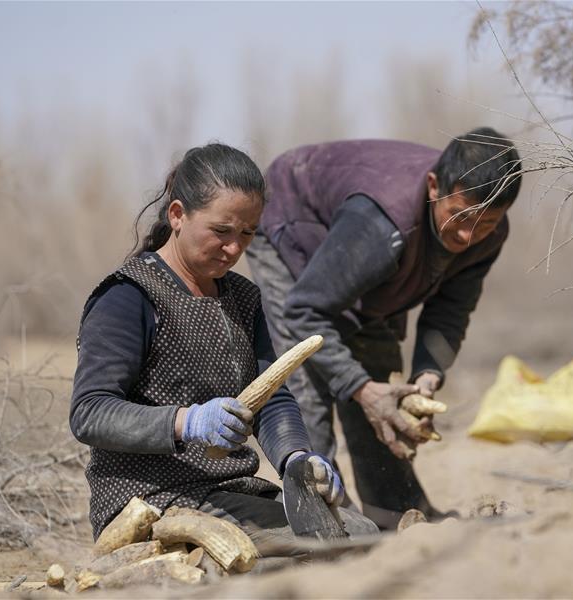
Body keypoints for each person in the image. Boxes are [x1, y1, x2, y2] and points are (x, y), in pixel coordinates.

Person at [69, 143, 377, 552]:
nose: (234, 249)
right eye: (221, 231)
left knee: (360, 532)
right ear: (177, 215)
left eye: (248, 233)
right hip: (149, 500)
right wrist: (185, 422)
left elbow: (272, 395)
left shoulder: (243, 299)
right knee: (333, 551)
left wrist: (296, 458)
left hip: (229, 492)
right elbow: (90, 412)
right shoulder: (129, 295)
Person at [246, 127, 522, 528]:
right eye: (460, 217)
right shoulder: (382, 223)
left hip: (371, 272)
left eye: (484, 223)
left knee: (382, 385)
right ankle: (319, 519)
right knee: (307, 380)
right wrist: (361, 389)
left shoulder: (488, 233)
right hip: (294, 230)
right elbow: (304, 311)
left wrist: (428, 374)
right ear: (433, 186)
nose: (467, 235)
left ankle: (393, 511)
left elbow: (450, 309)